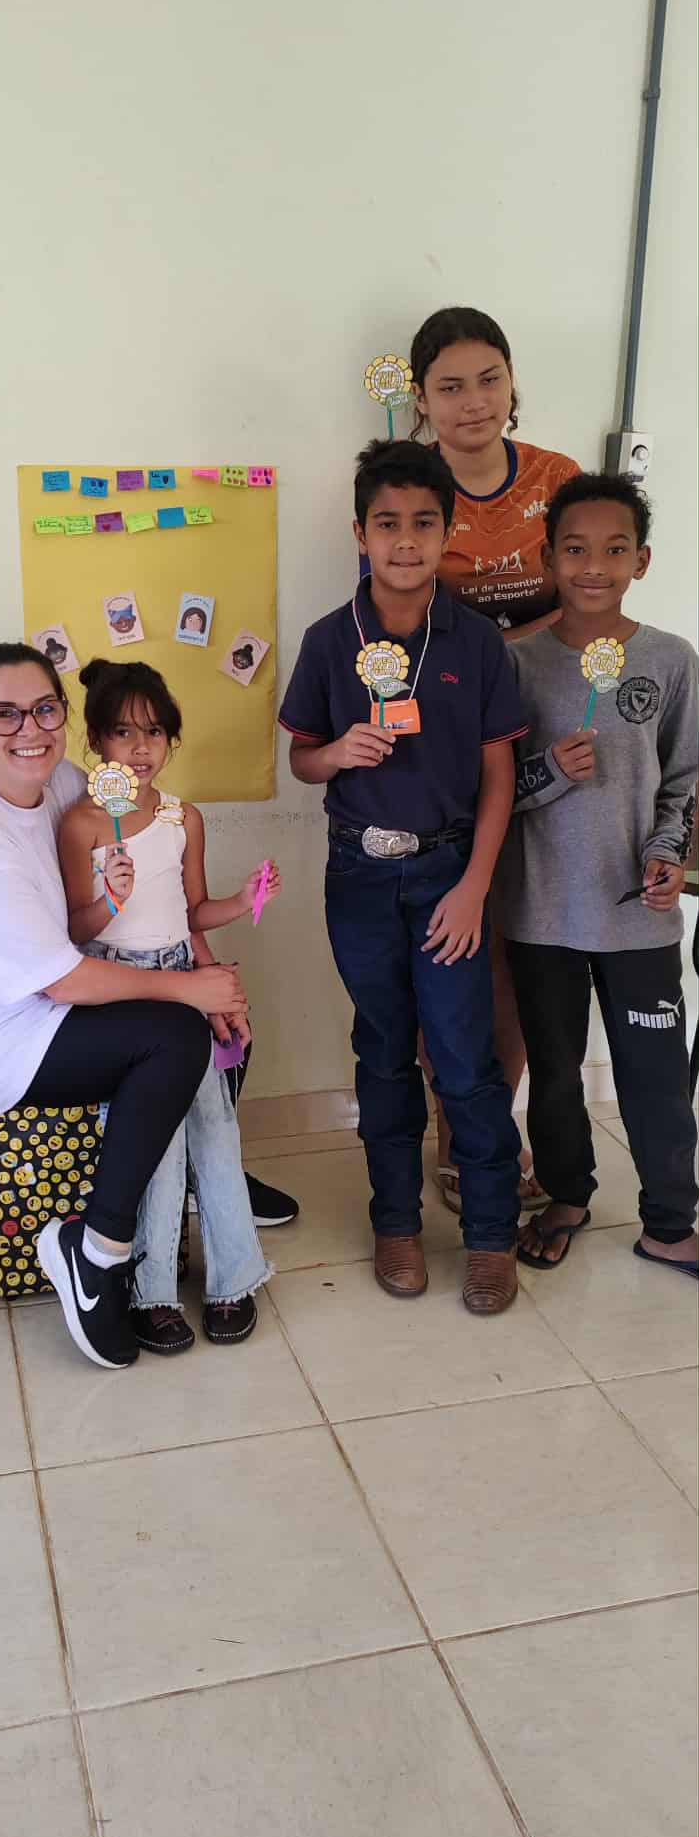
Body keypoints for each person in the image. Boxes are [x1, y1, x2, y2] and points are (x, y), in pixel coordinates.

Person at [0, 642, 243, 1372]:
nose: (29, 729)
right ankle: (98, 1249)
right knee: (177, 1038)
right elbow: (62, 979)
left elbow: (142, 890)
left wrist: (201, 966)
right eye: (4, 714)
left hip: (55, 989)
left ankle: (209, 1185)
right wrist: (191, 989)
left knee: (216, 1033)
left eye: (44, 709)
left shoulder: (57, 781)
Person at [280, 437, 527, 1314]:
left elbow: (499, 776)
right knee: (382, 1052)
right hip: (358, 875)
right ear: (360, 534)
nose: (405, 540)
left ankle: (490, 1234)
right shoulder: (327, 640)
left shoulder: (477, 643)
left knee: (462, 1055)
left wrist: (473, 888)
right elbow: (302, 760)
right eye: (386, 524)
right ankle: (395, 1224)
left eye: (424, 523)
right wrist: (336, 753)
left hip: (449, 873)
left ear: (445, 533)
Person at [497, 473, 698, 1275]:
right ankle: (567, 1194)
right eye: (575, 549)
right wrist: (548, 772)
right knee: (553, 1073)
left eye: (614, 550)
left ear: (640, 561)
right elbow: (487, 792)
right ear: (548, 559)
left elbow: (683, 781)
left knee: (654, 1075)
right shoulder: (515, 665)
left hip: (636, 913)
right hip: (540, 910)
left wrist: (667, 855)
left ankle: (668, 1222)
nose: (593, 566)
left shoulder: (670, 659)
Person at [406, 304, 581, 1215]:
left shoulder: (558, 478)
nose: (472, 401)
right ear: (420, 399)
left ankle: (496, 1128)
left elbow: (591, 593)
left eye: (488, 379)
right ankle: (455, 1128)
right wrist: (504, 648)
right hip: (449, 739)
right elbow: (399, 614)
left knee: (519, 945)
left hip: (554, 734)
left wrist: (506, 644)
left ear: (512, 381)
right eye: (449, 386)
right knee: (450, 943)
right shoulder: (409, 487)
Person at [58, 658, 281, 1350]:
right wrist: (111, 898)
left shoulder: (185, 818)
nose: (140, 748)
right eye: (123, 732)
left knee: (215, 1132)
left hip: (183, 980)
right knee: (154, 1142)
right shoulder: (80, 825)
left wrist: (241, 901)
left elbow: (191, 911)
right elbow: (73, 930)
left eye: (154, 732)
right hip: (119, 990)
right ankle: (151, 1292)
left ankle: (232, 1279)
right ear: (95, 741)